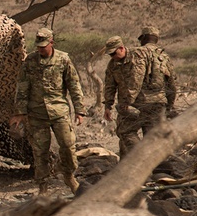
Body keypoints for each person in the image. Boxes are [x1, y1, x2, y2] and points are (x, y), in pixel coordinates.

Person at [10, 27, 87, 195]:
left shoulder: (63, 60)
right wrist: (20, 113)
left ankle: (68, 175)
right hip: (36, 114)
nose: (40, 49)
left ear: (52, 43)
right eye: (38, 46)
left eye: (44, 46)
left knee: (67, 146)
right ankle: (42, 187)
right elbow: (22, 88)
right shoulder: (30, 61)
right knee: (40, 152)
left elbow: (74, 85)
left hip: (59, 112)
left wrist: (79, 110)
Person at [101, 35, 144, 157]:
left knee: (149, 133)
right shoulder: (112, 65)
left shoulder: (138, 57)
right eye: (110, 55)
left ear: (121, 48)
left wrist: (129, 101)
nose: (113, 57)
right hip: (125, 105)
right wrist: (108, 106)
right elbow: (110, 85)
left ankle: (143, 160)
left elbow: (137, 81)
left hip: (144, 102)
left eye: (114, 53)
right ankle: (125, 164)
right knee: (123, 132)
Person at [133, 25, 177, 134]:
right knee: (156, 135)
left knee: (127, 133)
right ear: (156, 39)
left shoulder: (137, 53)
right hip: (159, 102)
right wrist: (170, 104)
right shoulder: (164, 56)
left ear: (143, 38)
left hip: (140, 101)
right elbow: (171, 84)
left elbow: (131, 79)